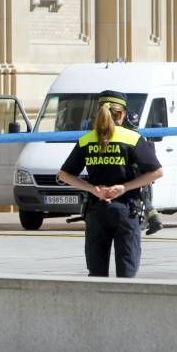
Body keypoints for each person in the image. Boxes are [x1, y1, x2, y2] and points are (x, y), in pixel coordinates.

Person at [58, 90, 163, 278]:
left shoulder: (87, 140)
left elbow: (64, 175)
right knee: (127, 273)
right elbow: (157, 172)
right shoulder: (132, 138)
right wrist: (124, 187)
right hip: (125, 209)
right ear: (122, 114)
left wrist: (93, 189)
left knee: (96, 274)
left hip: (96, 211)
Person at [125, 111, 163, 235]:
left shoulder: (129, 137)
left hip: (136, 175)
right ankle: (153, 221)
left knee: (141, 200)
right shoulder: (140, 136)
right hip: (146, 175)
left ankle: (148, 222)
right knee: (146, 200)